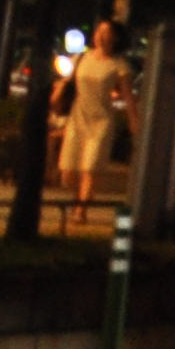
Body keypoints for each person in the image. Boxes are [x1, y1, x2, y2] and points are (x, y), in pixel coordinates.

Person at [56, 19, 132, 225]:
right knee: (68, 173)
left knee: (90, 168)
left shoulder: (118, 65)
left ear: (115, 38)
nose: (101, 36)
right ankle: (80, 198)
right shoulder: (81, 58)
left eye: (107, 32)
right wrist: (57, 97)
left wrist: (134, 121)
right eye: (99, 31)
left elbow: (127, 96)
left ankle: (80, 211)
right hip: (78, 118)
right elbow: (66, 82)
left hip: (101, 121)